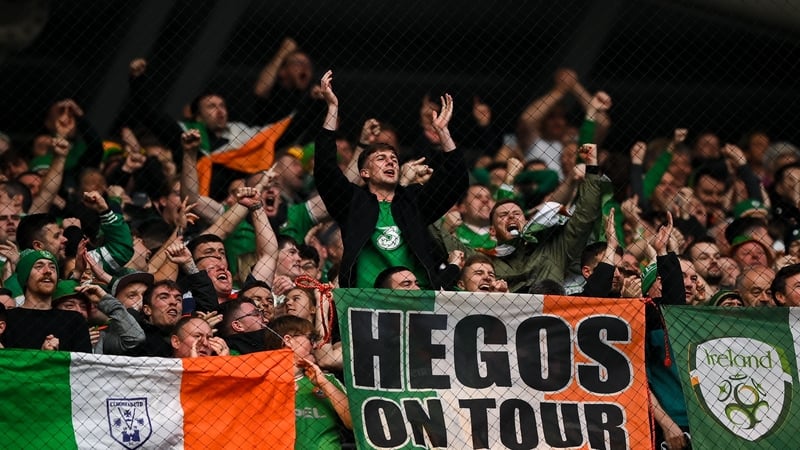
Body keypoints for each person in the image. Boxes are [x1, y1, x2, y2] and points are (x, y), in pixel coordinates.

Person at [315, 70, 467, 289]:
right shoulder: (352, 203)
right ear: (364, 173)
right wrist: (332, 108)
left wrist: (443, 132)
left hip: (418, 298)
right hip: (367, 300)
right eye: (381, 159)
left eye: (394, 159)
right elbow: (325, 169)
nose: (391, 162)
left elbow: (456, 179)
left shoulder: (413, 201)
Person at [485, 143, 607, 293]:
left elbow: (585, 215)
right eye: (504, 215)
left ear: (527, 222)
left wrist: (592, 167)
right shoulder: (487, 262)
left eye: (517, 214)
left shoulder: (553, 249)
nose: (511, 216)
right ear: (491, 231)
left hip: (550, 310)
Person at [264, 315, 352, 449]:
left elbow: (354, 423)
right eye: (311, 339)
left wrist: (324, 384)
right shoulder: (262, 383)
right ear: (288, 340)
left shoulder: (327, 380)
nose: (316, 346)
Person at [1, 249, 91, 352]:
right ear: (25, 277)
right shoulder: (7, 319)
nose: (48, 271)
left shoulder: (74, 320)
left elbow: (84, 364)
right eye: (39, 266)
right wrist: (43, 356)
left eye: (53, 267)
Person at [52, 279, 145, 355]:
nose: (79, 311)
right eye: (69, 306)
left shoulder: (97, 337)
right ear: (54, 309)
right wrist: (78, 342)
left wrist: (105, 298)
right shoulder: (47, 334)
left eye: (83, 307)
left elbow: (135, 338)